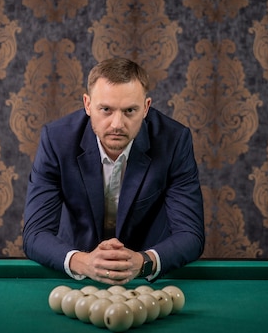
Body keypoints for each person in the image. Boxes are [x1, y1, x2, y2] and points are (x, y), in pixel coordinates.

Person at [23, 57, 204, 285]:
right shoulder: (57, 140)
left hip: (145, 278)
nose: (117, 124)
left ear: (146, 107)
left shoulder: (174, 141)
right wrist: (83, 262)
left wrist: (143, 261)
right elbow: (35, 233)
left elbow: (191, 234)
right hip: (77, 270)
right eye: (106, 109)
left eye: (130, 110)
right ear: (88, 105)